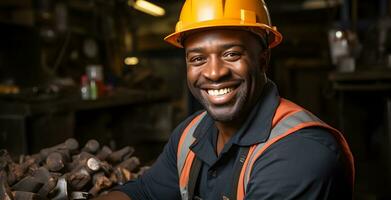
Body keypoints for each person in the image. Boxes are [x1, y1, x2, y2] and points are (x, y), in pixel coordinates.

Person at [95, 0, 355, 199]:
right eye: (197, 59)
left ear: (263, 59)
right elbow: (143, 193)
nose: (214, 72)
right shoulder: (190, 134)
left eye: (231, 54)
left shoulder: (300, 151)